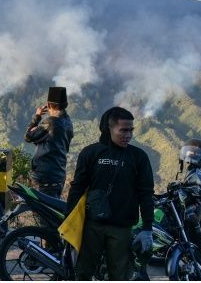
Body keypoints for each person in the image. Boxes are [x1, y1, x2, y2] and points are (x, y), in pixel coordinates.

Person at [65, 106, 154, 281]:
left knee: (119, 276)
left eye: (131, 130)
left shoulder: (138, 157)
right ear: (109, 128)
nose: (128, 135)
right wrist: (68, 222)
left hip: (122, 228)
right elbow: (77, 188)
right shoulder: (90, 153)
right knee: (83, 272)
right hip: (91, 225)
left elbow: (146, 193)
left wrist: (147, 228)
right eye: (123, 130)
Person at [24, 85, 73, 197]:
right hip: (59, 175)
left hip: (45, 178)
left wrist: (37, 116)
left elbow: (28, 136)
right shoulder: (68, 122)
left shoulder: (50, 123)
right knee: (52, 209)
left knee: (42, 211)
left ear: (49, 105)